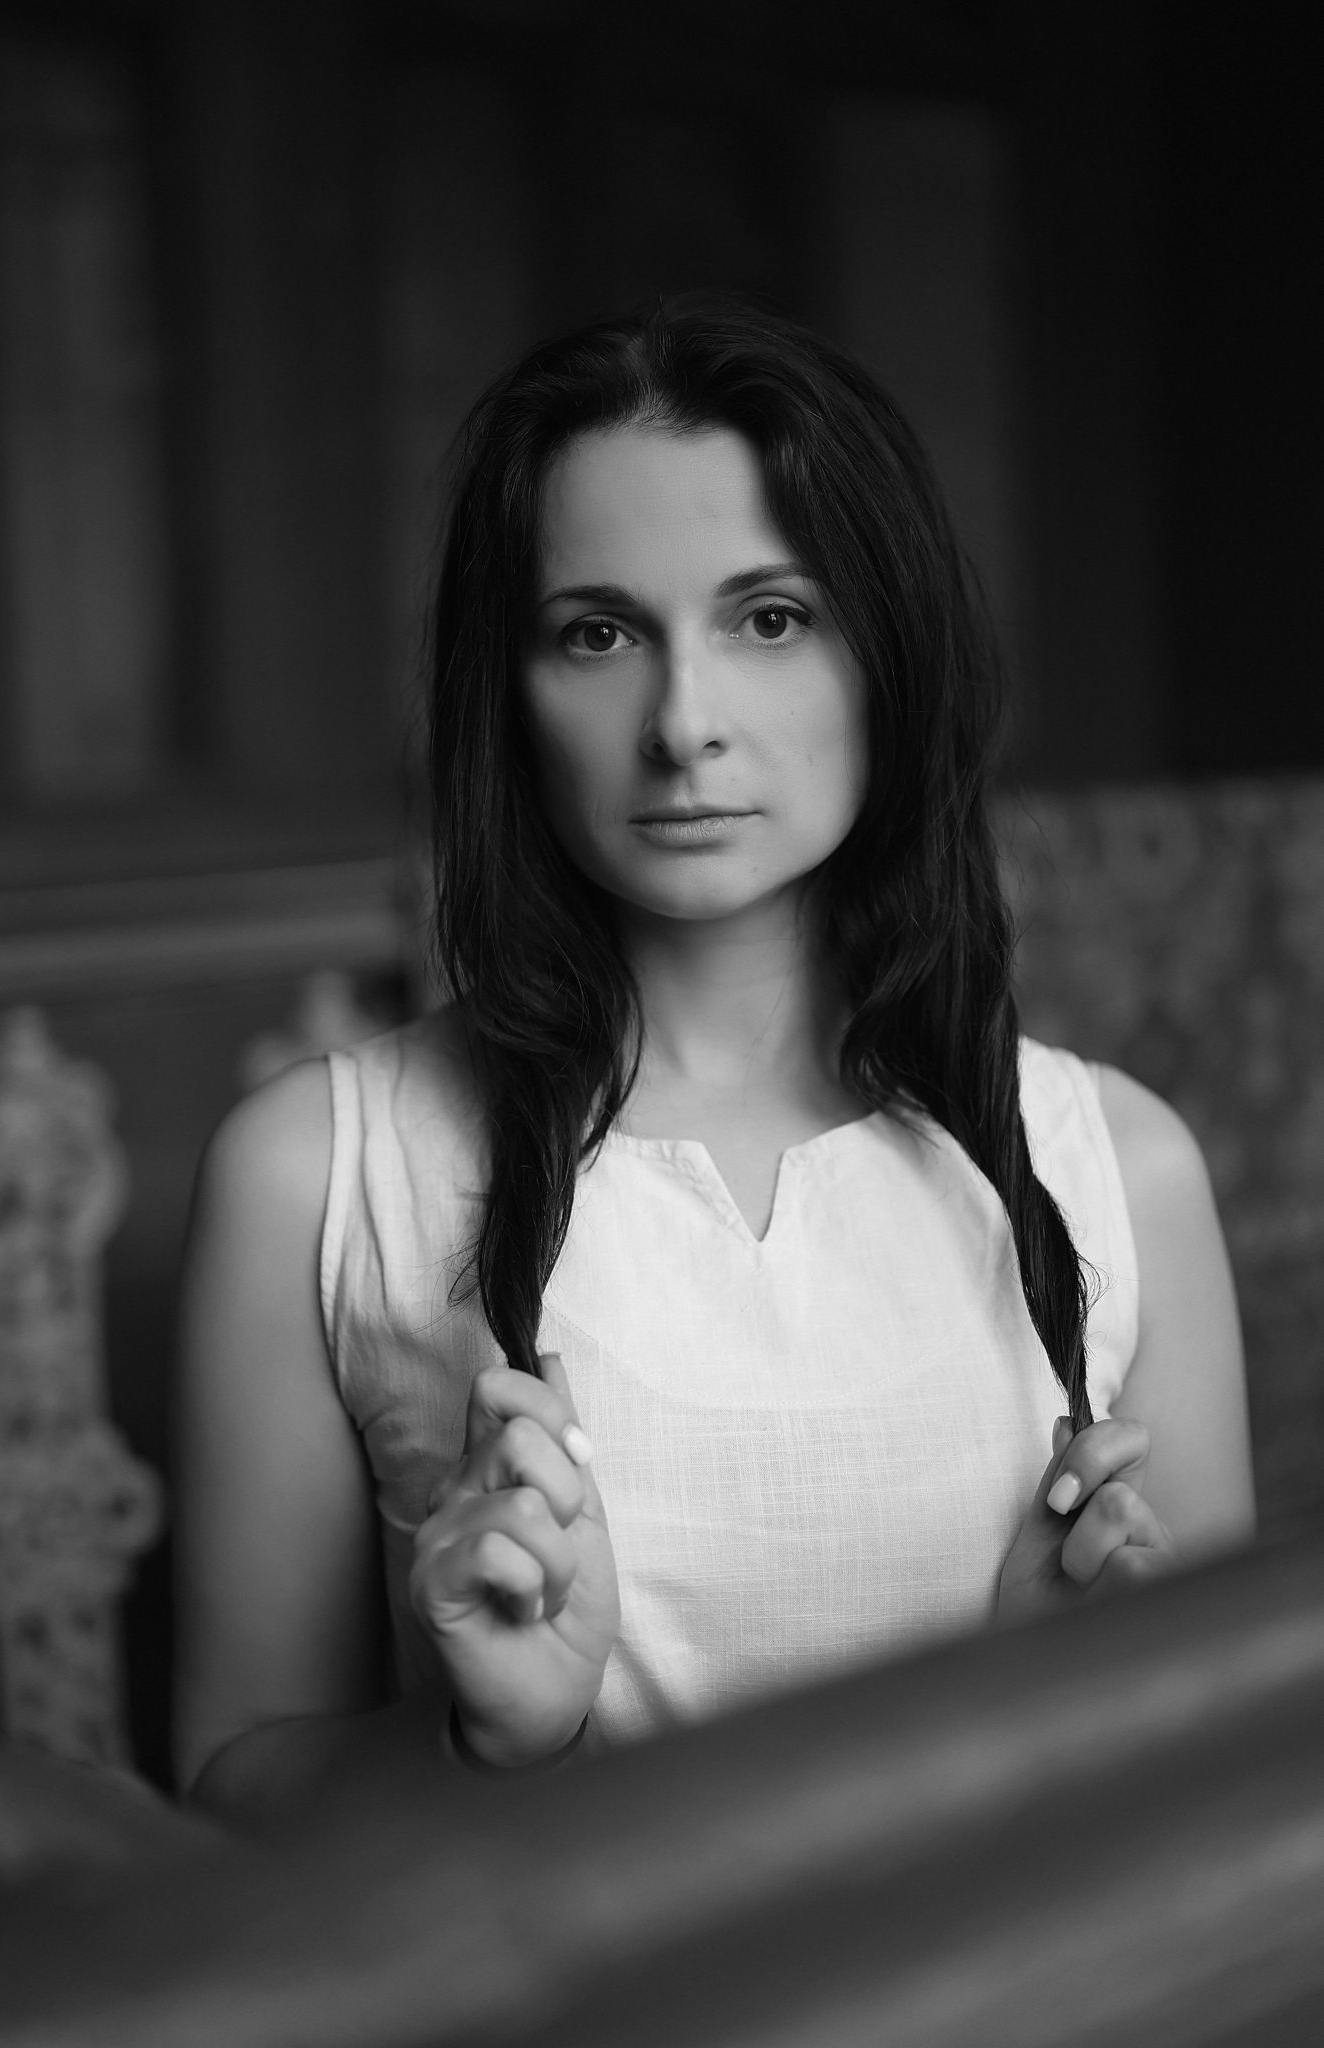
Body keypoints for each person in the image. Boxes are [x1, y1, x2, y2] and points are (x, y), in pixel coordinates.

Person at [173, 297, 1254, 1820]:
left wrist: (1060, 1701)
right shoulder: (317, 1172)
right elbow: (225, 1789)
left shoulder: (1116, 1169)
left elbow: (1223, 1813)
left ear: (890, 656)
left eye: (772, 618)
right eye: (599, 633)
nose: (683, 724)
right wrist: (486, 1741)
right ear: (509, 692)